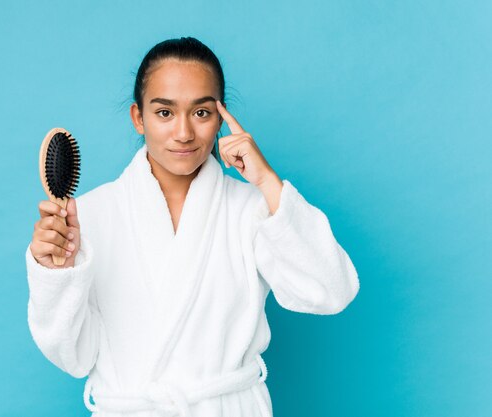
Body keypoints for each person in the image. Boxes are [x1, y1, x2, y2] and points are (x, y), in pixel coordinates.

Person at [26, 36, 360, 417]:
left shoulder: (252, 209)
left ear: (221, 117)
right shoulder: (89, 217)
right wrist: (56, 276)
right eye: (164, 113)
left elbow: (333, 291)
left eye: (201, 113)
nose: (183, 133)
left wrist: (269, 183)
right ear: (138, 117)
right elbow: (73, 357)